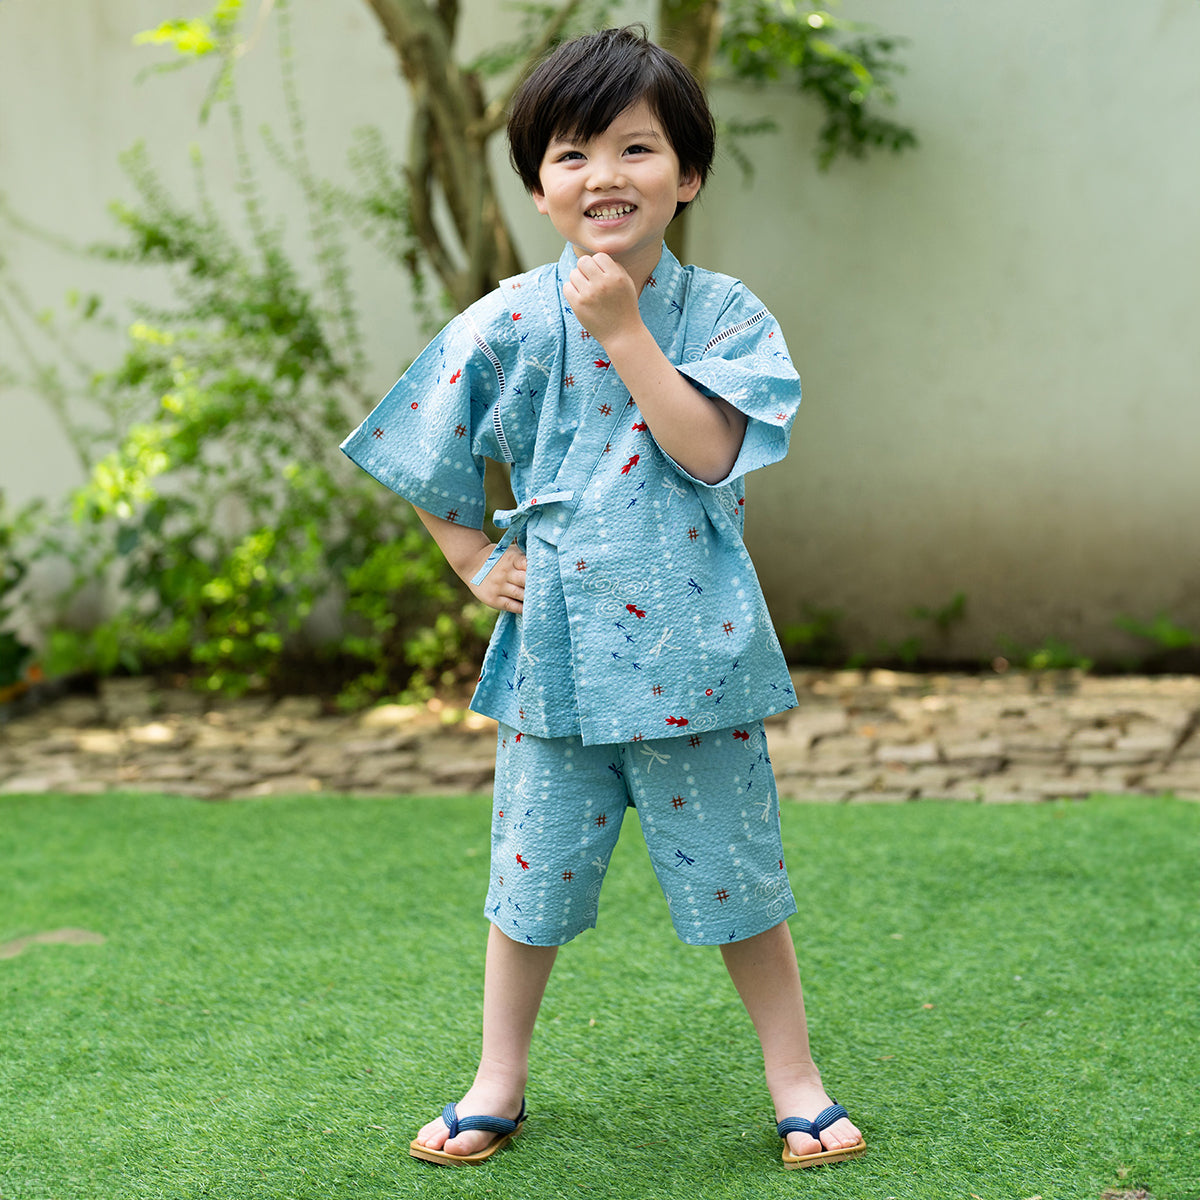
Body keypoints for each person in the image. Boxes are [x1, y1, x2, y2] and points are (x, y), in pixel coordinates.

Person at [340, 25, 865, 1171]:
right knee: (525, 884)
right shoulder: (505, 318)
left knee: (741, 881)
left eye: (637, 147)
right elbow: (413, 443)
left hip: (697, 660)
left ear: (689, 172)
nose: (605, 176)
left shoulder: (726, 315)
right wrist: (475, 561)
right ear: (537, 184)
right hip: (557, 667)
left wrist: (625, 333)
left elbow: (711, 452)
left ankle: (797, 1080)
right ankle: (497, 1080)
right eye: (572, 153)